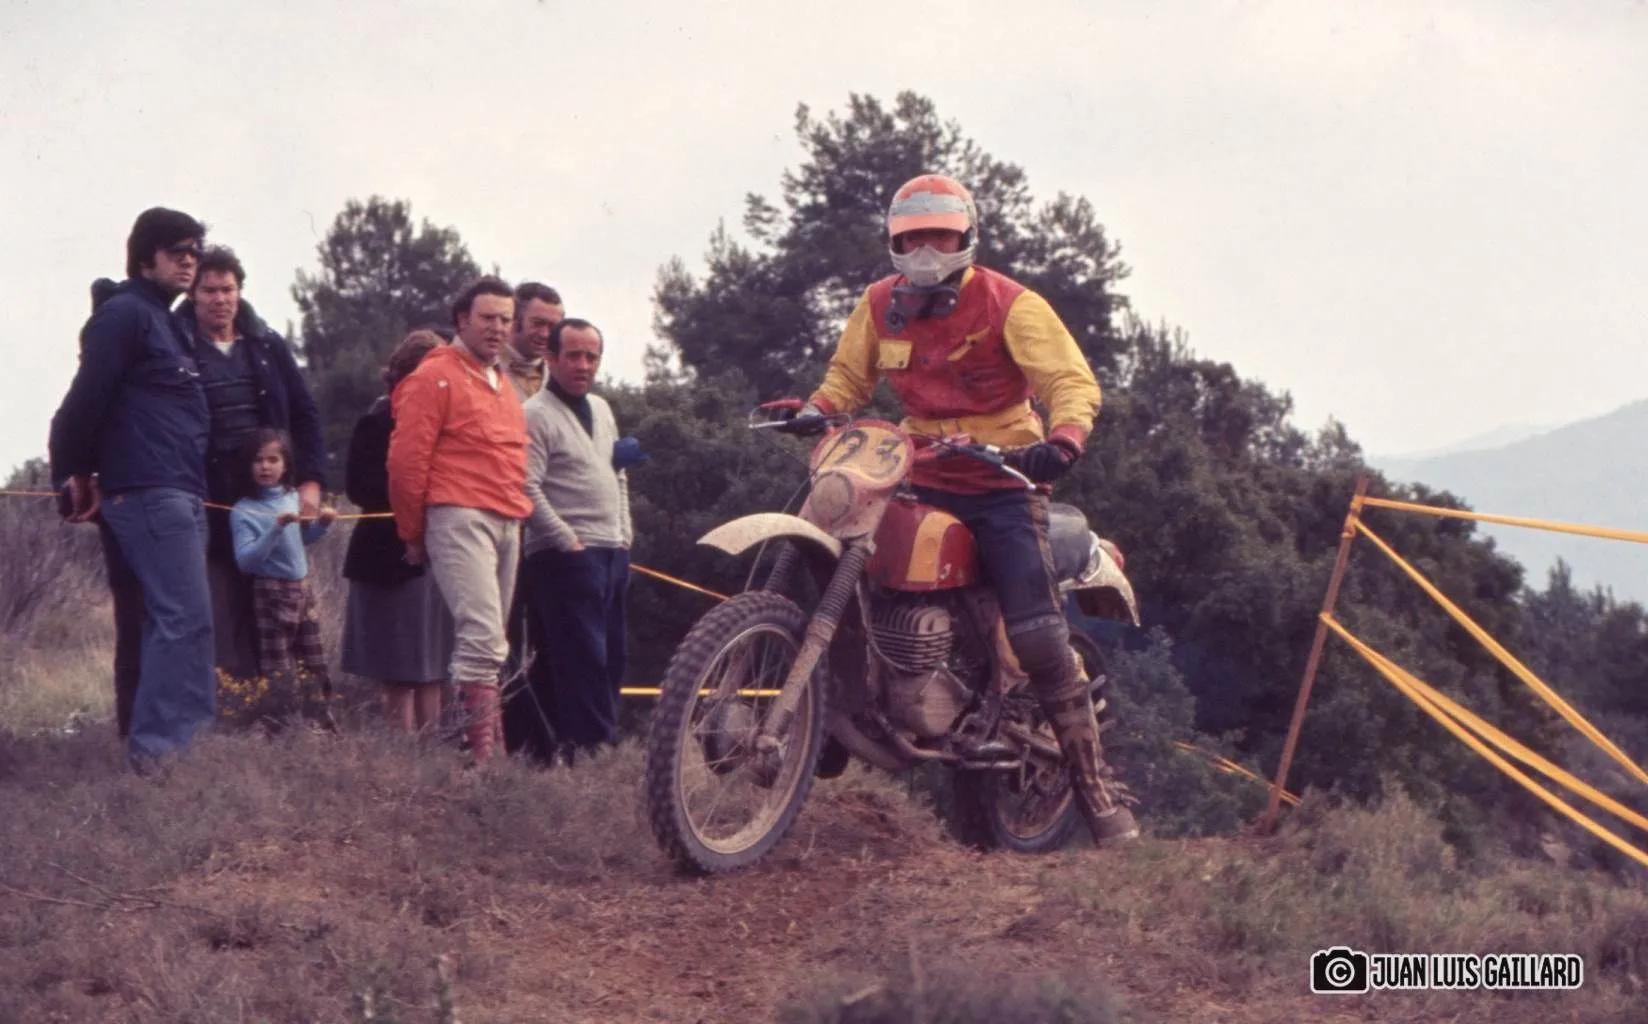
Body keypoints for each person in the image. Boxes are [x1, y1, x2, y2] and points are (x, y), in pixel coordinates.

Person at [794, 173, 1140, 846]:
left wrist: (1064, 438)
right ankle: (834, 708)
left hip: (1001, 478)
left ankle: (1096, 789)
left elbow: (1068, 380)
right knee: (843, 558)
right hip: (913, 468)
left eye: (941, 237)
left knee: (1037, 634)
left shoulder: (1011, 304)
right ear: (894, 243)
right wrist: (817, 408)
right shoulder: (879, 303)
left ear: (967, 238)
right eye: (913, 239)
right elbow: (848, 378)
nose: (926, 251)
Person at [47, 207, 216, 769]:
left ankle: (189, 751)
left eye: (195, 252)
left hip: (179, 488)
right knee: (181, 618)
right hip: (147, 488)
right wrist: (73, 472)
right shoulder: (125, 315)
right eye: (178, 252)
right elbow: (84, 399)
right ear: (146, 258)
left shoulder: (168, 323)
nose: (190, 262)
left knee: (186, 620)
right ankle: (159, 755)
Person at [387, 277, 532, 764]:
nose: (497, 328)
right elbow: (406, 462)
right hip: (459, 514)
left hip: (507, 517)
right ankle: (479, 757)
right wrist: (412, 532)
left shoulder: (502, 381)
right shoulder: (434, 375)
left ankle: (487, 752)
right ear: (462, 320)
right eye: (487, 318)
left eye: (505, 320)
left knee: (492, 641)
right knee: (481, 637)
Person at [176, 245, 327, 685]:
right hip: (208, 497)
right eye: (209, 291)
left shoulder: (266, 344)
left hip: (269, 496)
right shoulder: (175, 344)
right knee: (220, 602)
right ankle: (230, 696)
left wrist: (311, 483)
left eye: (227, 289)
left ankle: (281, 699)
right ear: (192, 295)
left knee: (278, 605)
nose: (219, 299)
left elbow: (305, 413)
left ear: (239, 292)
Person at [517, 318, 634, 764]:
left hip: (611, 550)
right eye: (573, 355)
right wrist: (565, 539)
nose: (583, 365)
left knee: (611, 654)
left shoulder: (601, 408)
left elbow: (617, 472)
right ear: (551, 358)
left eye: (591, 356)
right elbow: (526, 486)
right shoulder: (535, 414)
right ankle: (594, 751)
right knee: (581, 656)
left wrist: (624, 532)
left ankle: (551, 753)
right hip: (562, 555)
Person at [341, 329, 456, 733]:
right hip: (388, 557)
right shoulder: (378, 420)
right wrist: (412, 493)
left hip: (438, 552)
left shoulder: (447, 421)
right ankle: (401, 759)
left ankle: (432, 754)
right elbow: (359, 487)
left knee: (434, 668)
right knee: (399, 672)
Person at [228, 428, 338, 723]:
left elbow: (301, 540)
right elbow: (246, 561)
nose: (265, 467)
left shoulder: (292, 498)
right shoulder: (243, 510)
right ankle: (280, 726)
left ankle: (320, 723)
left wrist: (323, 524)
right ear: (248, 465)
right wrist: (275, 529)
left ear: (286, 464)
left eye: (273, 459)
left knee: (314, 661)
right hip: (270, 593)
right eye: (258, 460)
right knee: (277, 666)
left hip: (302, 590)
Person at [503, 282, 565, 401]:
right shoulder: (484, 366)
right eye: (538, 323)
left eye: (553, 327)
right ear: (514, 319)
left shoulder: (560, 378)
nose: (545, 334)